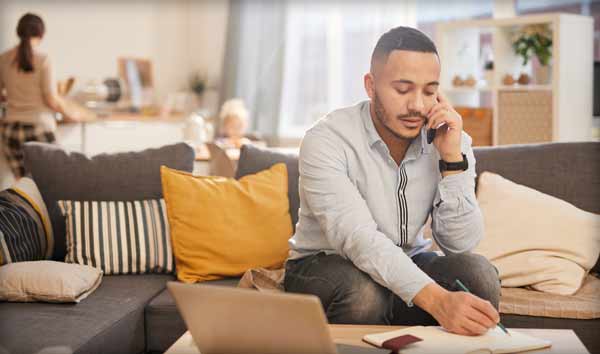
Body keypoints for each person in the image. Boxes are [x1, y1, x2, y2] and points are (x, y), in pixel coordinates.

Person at [284, 26, 501, 336]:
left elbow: (461, 244)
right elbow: (357, 239)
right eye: (402, 89)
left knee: (479, 275)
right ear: (370, 86)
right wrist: (439, 302)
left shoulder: (452, 140)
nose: (417, 105)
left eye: (429, 91)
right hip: (325, 266)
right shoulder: (327, 140)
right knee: (363, 295)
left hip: (406, 261)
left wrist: (452, 161)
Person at [0, 13, 78, 179]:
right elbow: (51, 99)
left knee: (24, 188)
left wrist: (15, 97)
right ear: (41, 34)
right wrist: (69, 115)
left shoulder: (3, 58)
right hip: (38, 129)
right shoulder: (43, 59)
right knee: (52, 182)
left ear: (18, 32)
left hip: (10, 131)